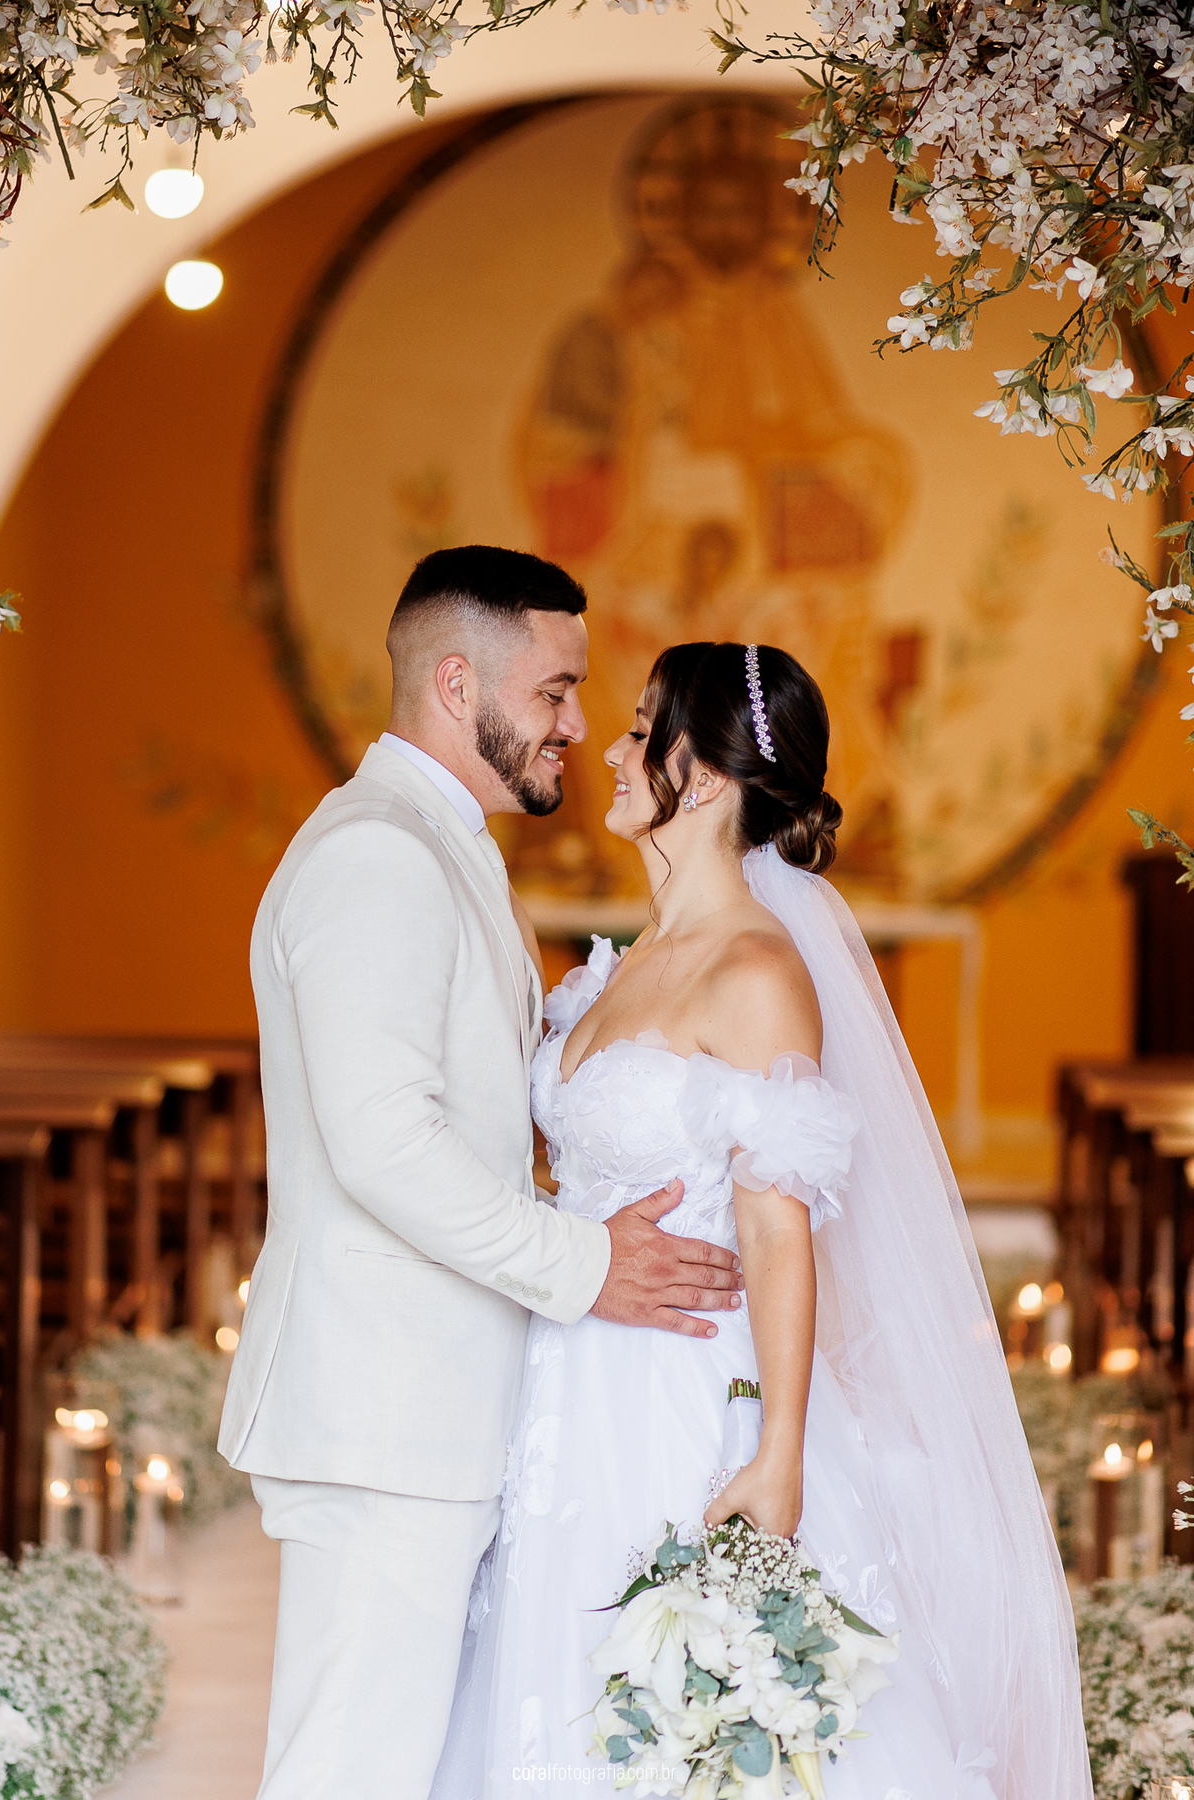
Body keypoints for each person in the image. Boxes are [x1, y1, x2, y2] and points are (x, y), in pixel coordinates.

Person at [434, 641, 1093, 1799]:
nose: (613, 751)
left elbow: (779, 1228)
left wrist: (779, 1452)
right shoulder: (628, 962)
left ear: (704, 771)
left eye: (642, 729)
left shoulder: (754, 970)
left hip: (685, 1391)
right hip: (568, 1381)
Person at [217, 548, 745, 1800]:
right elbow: (384, 1142)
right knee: (349, 1773)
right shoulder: (378, 855)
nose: (578, 726)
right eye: (555, 691)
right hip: (386, 1410)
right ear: (457, 684)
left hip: (425, 1405)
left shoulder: (439, 845)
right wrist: (586, 1264)